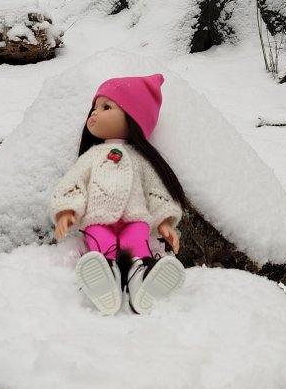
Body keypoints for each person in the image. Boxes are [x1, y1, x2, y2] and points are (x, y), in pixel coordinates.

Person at [51, 74, 187, 315]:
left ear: (133, 117)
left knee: (138, 242)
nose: (94, 113)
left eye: (106, 107)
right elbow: (75, 183)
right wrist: (68, 210)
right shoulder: (91, 157)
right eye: (94, 107)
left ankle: (142, 280)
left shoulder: (141, 160)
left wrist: (164, 221)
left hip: (136, 220)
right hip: (96, 221)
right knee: (100, 244)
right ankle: (105, 278)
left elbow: (155, 190)